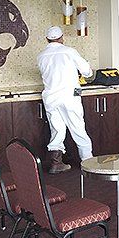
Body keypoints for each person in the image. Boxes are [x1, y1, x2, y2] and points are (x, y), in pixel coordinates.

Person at [37, 26, 94, 173]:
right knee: (78, 127)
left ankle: (56, 163)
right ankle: (88, 162)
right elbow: (87, 71)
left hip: (50, 97)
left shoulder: (41, 55)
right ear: (62, 38)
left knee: (57, 129)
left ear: (47, 39)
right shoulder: (69, 51)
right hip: (70, 95)